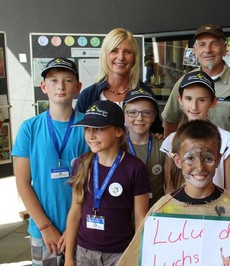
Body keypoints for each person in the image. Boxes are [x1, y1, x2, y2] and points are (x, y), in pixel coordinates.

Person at [116, 119, 230, 265]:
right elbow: (135, 257)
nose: (200, 167)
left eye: (208, 158)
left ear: (218, 160)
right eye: (190, 158)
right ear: (177, 161)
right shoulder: (161, 211)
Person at [12, 57, 88, 265]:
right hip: (42, 229)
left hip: (83, 228)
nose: (60, 86)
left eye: (68, 80)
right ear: (43, 87)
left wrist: (74, 228)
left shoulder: (88, 127)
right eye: (53, 80)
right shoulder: (30, 128)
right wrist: (45, 227)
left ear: (78, 87)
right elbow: (22, 182)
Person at [64, 100, 151, 266]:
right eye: (87, 129)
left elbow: (141, 217)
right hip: (84, 251)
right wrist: (69, 258)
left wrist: (139, 255)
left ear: (118, 131)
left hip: (120, 252)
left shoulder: (135, 167)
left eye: (98, 129)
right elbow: (75, 211)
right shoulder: (81, 164)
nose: (91, 135)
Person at [161, 23, 230, 136]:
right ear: (195, 51)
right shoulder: (183, 82)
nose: (208, 50)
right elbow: (170, 121)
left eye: (214, 44)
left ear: (224, 48)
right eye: (202, 45)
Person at [75, 28, 163, 135]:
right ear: (105, 55)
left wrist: (158, 136)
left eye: (127, 52)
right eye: (114, 51)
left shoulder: (146, 93)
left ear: (134, 58)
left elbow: (157, 132)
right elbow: (78, 136)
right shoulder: (88, 95)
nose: (121, 57)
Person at [160, 70, 230, 193]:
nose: (194, 106)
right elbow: (169, 188)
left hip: (217, 209)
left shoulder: (226, 139)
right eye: (188, 99)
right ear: (180, 100)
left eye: (201, 100)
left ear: (213, 102)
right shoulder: (171, 140)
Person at [123, 85, 166, 207]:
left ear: (154, 116)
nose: (139, 118)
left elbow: (170, 185)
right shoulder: (117, 146)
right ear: (124, 116)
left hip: (155, 214)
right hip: (124, 216)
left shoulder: (163, 146)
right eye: (132, 112)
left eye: (146, 113)